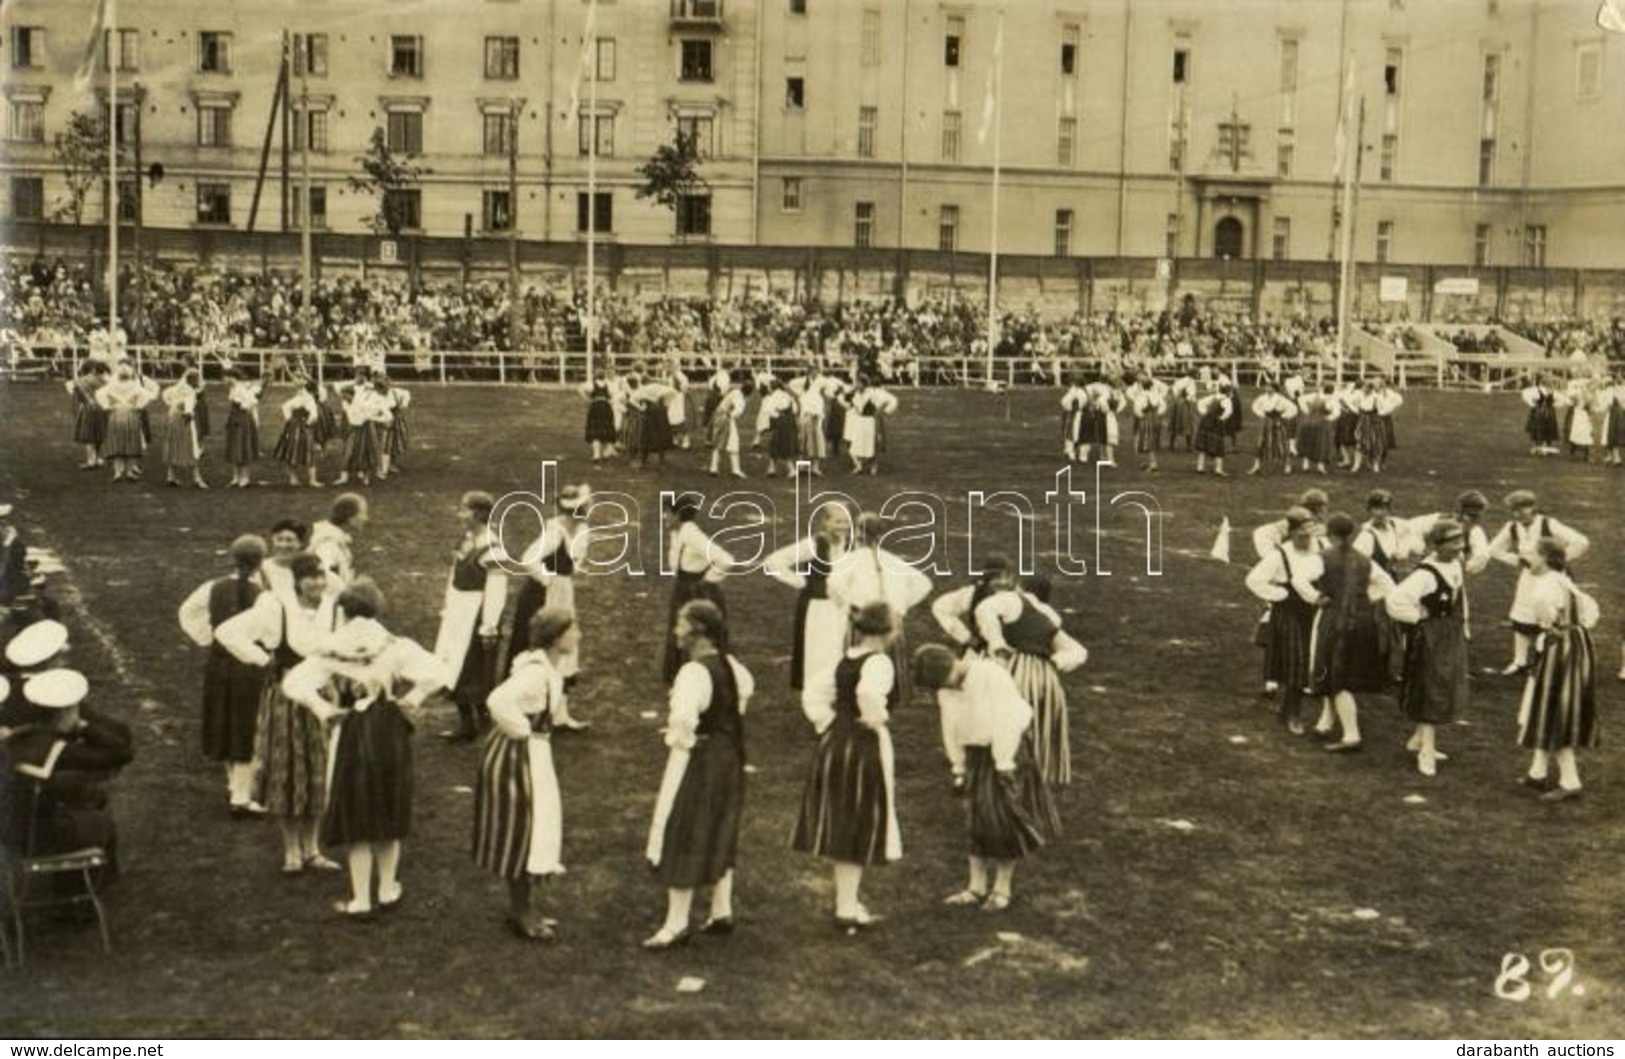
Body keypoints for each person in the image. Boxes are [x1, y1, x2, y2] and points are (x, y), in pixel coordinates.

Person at [281, 579, 450, 919]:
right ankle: (387, 890)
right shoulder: (394, 644)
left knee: (356, 809)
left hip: (352, 728)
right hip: (388, 728)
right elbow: (439, 672)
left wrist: (324, 709)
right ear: (377, 608)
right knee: (388, 805)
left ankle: (360, 899)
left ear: (343, 609)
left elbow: (293, 683)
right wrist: (413, 699)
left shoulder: (331, 644)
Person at [213, 552, 341, 873]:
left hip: (322, 697)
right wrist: (263, 659)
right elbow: (227, 632)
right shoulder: (275, 606)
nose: (318, 583)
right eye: (311, 577)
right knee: (288, 772)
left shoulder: (332, 608)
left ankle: (312, 849)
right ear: (297, 580)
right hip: (286, 699)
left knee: (318, 772)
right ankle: (291, 852)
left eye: (322, 575)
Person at [914, 644, 1060, 912]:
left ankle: (1002, 888)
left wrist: (1004, 764)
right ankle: (976, 886)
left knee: (1004, 818)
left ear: (953, 665)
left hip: (1008, 749)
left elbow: (1008, 720)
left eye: (948, 682)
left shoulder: (990, 674)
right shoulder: (946, 689)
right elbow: (951, 726)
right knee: (975, 818)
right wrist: (958, 765)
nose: (949, 689)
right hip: (976, 755)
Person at [644, 600, 754, 949]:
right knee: (719, 824)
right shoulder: (731, 665)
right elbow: (745, 691)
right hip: (729, 754)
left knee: (685, 829)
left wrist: (680, 743)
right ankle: (721, 911)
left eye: (681, 624)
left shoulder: (693, 673)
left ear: (699, 632)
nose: (675, 631)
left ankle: (676, 923)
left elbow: (683, 720)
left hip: (701, 756)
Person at [791, 601, 902, 935]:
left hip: (834, 743)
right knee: (857, 820)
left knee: (845, 821)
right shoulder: (879, 662)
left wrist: (828, 723)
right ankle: (847, 909)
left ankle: (847, 902)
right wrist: (875, 718)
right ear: (890, 631)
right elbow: (868, 693)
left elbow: (813, 693)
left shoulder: (845, 659)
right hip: (861, 745)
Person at [472, 607, 575, 942]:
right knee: (523, 828)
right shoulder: (534, 673)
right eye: (572, 631)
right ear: (556, 638)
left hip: (533, 751)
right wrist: (523, 732)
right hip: (519, 754)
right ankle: (521, 911)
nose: (578, 637)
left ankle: (523, 905)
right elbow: (498, 699)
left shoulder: (545, 668)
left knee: (537, 824)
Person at [2, 669, 132, 869]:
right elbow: (122, 753)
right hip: (29, 836)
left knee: (89, 796)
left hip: (9, 829)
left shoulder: (14, 739)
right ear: (63, 712)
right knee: (103, 824)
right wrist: (83, 726)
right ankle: (79, 894)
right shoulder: (54, 749)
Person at [178, 535, 270, 816]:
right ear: (260, 562)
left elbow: (187, 612)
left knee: (225, 722)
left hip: (219, 664)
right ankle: (241, 797)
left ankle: (234, 786)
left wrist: (209, 638)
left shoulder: (212, 587)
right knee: (245, 727)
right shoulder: (264, 595)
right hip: (250, 666)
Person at [1514, 540, 1600, 801]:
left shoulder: (1545, 586)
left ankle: (1570, 781)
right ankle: (1537, 774)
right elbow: (1591, 610)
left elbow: (1544, 615)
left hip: (1560, 649)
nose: (1528, 558)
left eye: (1532, 554)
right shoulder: (1563, 579)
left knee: (1554, 709)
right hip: (1577, 645)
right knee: (1545, 706)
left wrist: (1550, 631)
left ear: (1545, 558)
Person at [1386, 520, 1471, 777]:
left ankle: (1417, 740)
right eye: (1454, 542)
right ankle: (1427, 751)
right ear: (1437, 545)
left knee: (1445, 684)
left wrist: (1463, 625)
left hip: (1449, 633)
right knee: (1431, 687)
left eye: (1461, 540)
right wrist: (1418, 617)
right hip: (1430, 637)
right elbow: (1395, 601)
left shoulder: (1455, 564)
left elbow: (1459, 597)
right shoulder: (1424, 574)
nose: (1460, 546)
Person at [1305, 513, 1396, 751]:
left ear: (1330, 533)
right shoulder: (1365, 560)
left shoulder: (1322, 557)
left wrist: (1316, 597)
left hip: (1335, 620)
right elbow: (1388, 585)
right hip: (1363, 621)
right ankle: (1326, 721)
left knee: (1336, 677)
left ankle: (1352, 736)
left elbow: (1299, 579)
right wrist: (1364, 600)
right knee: (1332, 672)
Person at [506, 484, 592, 731]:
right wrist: (548, 580)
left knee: (565, 645)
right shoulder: (555, 532)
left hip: (563, 592)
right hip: (540, 595)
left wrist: (562, 581)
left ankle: (560, 714)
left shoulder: (583, 530)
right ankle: (527, 708)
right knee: (539, 647)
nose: (587, 509)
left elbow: (575, 563)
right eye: (584, 506)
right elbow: (527, 559)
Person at [432, 492, 509, 742]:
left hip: (476, 612)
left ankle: (481, 715)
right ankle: (468, 721)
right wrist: (448, 604)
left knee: (472, 667)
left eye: (464, 510)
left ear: (478, 514)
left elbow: (497, 589)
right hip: (458, 610)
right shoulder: (466, 540)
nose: (460, 514)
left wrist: (489, 625)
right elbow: (454, 574)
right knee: (452, 663)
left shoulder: (492, 547)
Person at [1486, 490, 1589, 674]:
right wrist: (1517, 559)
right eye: (1514, 510)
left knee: (1553, 617)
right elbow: (1493, 549)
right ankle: (1520, 661)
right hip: (1529, 576)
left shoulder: (1548, 523)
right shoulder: (1512, 527)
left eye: (1523, 508)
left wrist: (1557, 560)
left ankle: (1553, 660)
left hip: (1552, 577)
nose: (1518, 514)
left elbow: (1581, 541)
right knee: (1522, 616)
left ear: (1533, 507)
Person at [1245, 507, 1324, 735]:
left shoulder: (1321, 547)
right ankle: (1293, 714)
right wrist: (1279, 595)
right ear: (1291, 532)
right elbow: (1254, 580)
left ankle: (1286, 711)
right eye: (1301, 531)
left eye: (1310, 530)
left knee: (1310, 661)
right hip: (1289, 613)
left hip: (1316, 609)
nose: (1307, 536)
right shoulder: (1279, 555)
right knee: (1297, 661)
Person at [764, 503, 853, 706]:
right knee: (818, 654)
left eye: (846, 521)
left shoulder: (850, 544)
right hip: (818, 610)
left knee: (840, 652)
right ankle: (816, 701)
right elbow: (773, 561)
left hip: (842, 609)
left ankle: (836, 697)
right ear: (825, 522)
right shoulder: (813, 544)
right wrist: (801, 582)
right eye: (838, 521)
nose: (843, 526)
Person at [661, 492, 736, 685]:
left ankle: (704, 675)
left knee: (697, 631)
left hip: (697, 591)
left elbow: (726, 559)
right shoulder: (676, 532)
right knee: (681, 630)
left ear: (678, 515)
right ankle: (681, 673)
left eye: (667, 512)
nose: (664, 517)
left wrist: (707, 581)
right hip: (682, 588)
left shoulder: (692, 534)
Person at [95, 360, 152, 484]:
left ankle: (118, 472)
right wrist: (137, 406)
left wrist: (107, 406)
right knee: (131, 442)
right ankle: (130, 471)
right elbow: (147, 395)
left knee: (117, 442)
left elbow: (99, 394)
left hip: (115, 415)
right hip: (131, 415)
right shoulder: (135, 385)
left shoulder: (112, 385)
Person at [161, 370, 208, 489]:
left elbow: (165, 395)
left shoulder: (178, 387)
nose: (199, 382)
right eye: (197, 380)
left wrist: (174, 406)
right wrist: (189, 417)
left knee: (173, 444)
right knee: (192, 448)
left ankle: (171, 476)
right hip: (183, 420)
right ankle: (197, 478)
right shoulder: (190, 392)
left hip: (172, 418)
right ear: (193, 380)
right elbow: (188, 410)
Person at [310, 493, 369, 588]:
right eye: (363, 513)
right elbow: (322, 576)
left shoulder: (336, 537)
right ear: (350, 518)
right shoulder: (328, 544)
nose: (366, 518)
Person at [274, 378, 324, 488]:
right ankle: (308, 480)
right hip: (301, 426)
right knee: (307, 452)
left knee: (292, 451)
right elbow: (314, 415)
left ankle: (295, 478)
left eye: (300, 387)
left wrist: (290, 419)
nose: (298, 389)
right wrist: (307, 423)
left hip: (294, 426)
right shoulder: (306, 398)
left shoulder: (305, 398)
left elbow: (286, 407)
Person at [223, 370, 263, 489]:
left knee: (243, 446)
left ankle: (245, 478)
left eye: (225, 377)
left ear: (231, 377)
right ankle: (236, 477)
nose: (223, 380)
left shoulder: (240, 388)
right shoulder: (233, 388)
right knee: (235, 447)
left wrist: (242, 407)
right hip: (234, 417)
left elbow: (252, 401)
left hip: (242, 418)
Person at [707, 371, 748, 479]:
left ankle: (714, 467)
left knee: (719, 442)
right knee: (732, 442)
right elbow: (737, 411)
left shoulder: (735, 392)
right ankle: (735, 469)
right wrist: (731, 415)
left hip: (719, 415)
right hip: (725, 417)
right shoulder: (739, 397)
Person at [67, 361, 108, 471]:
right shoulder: (103, 380)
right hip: (102, 408)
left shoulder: (79, 381)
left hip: (87, 409)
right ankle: (99, 459)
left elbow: (76, 398)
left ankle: (91, 461)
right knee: (99, 433)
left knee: (89, 436)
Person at [1193, 384, 1233, 476]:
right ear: (1228, 393)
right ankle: (1218, 469)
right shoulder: (1227, 400)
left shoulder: (1213, 397)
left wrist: (1204, 413)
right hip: (1216, 423)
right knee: (1219, 446)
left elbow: (1200, 402)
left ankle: (1200, 467)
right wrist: (1221, 418)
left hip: (1206, 421)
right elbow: (1228, 412)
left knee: (1203, 445)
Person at [580, 373, 618, 463]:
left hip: (595, 406)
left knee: (595, 430)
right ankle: (605, 453)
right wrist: (610, 401)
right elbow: (614, 395)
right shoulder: (609, 384)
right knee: (607, 429)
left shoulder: (591, 384)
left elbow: (580, 389)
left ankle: (596, 455)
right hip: (606, 406)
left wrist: (587, 399)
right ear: (604, 377)